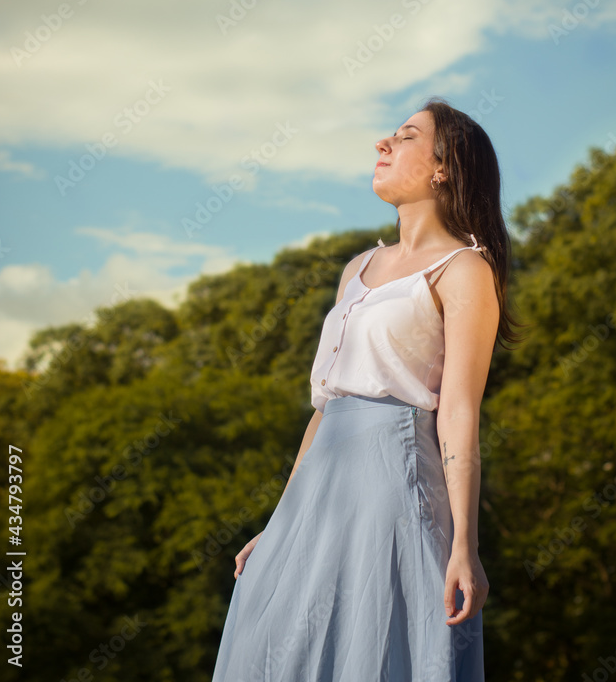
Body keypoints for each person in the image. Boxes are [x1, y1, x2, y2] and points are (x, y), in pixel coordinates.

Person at [210, 97, 525, 681]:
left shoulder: (464, 271)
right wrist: (281, 519)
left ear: (444, 167)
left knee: (378, 646)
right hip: (320, 488)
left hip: (395, 482)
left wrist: (464, 545)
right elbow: (327, 405)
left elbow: (457, 411)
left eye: (405, 137)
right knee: (274, 633)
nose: (383, 144)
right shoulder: (356, 267)